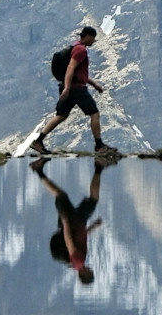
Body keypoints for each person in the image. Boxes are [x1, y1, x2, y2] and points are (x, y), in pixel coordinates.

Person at [32, 26, 107, 155]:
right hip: (76, 89)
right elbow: (70, 68)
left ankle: (38, 141)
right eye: (93, 38)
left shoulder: (74, 47)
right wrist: (67, 88)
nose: (93, 41)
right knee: (94, 113)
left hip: (69, 87)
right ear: (88, 36)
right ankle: (99, 146)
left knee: (61, 115)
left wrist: (94, 84)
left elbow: (78, 73)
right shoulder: (81, 50)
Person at [33, 157, 106, 285]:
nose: (91, 270)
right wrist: (93, 227)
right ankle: (99, 167)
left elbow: (70, 243)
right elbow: (80, 238)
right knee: (91, 200)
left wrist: (65, 223)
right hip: (79, 221)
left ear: (84, 275)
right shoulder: (77, 263)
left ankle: (38, 170)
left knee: (61, 195)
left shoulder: (78, 262)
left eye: (90, 273)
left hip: (72, 222)